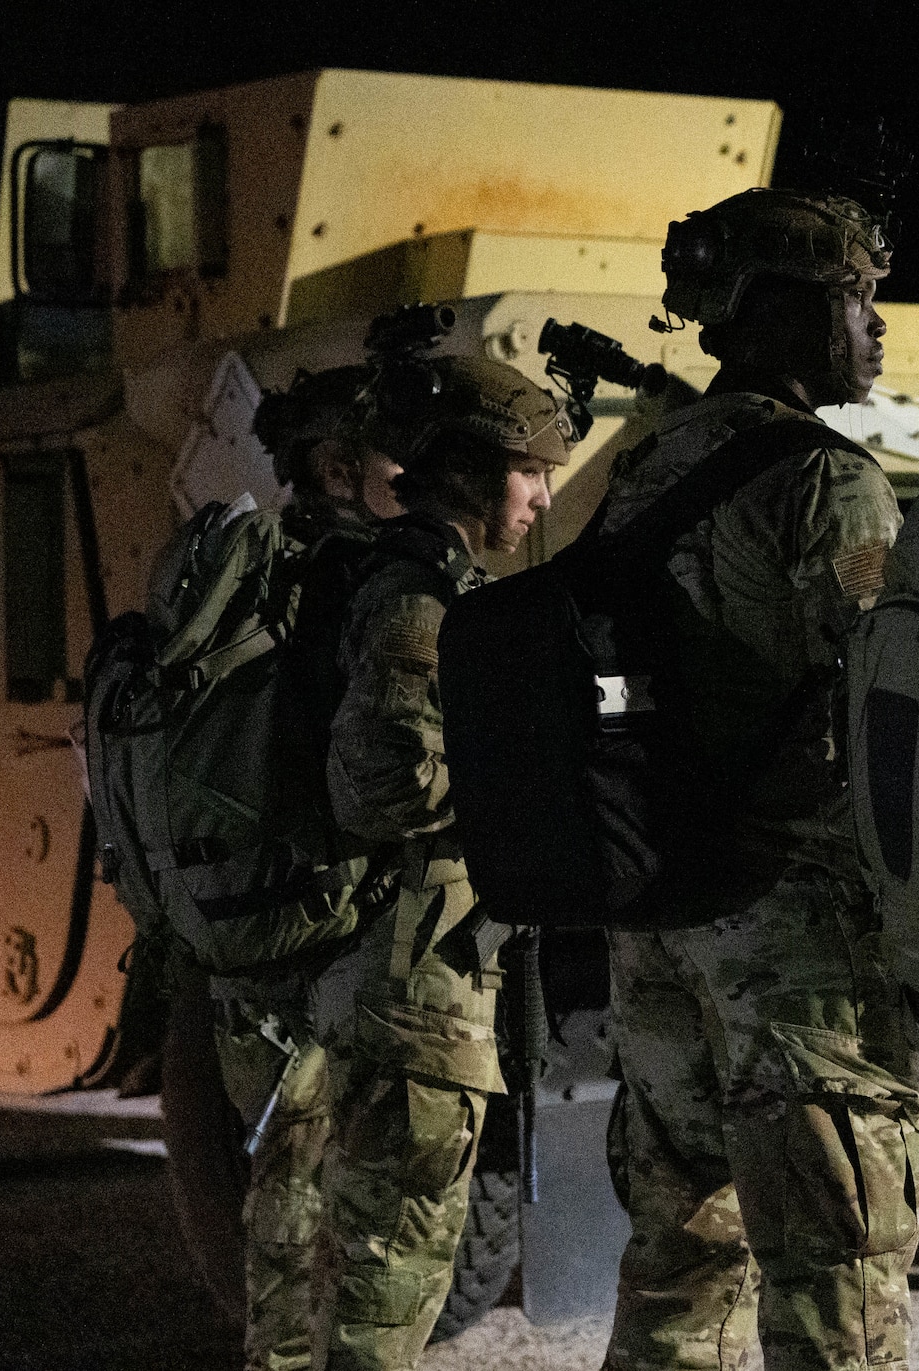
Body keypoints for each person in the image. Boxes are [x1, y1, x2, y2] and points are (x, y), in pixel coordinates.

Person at [598, 187, 919, 1371]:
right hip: (792, 940)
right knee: (834, 1279)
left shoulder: (644, 470)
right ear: (781, 313)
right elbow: (892, 708)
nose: (874, 327)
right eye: (856, 298)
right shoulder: (823, 481)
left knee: (678, 1266)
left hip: (658, 918)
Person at [307, 353, 563, 1370]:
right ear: (464, 471)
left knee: (383, 1272)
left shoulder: (408, 577)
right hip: (408, 996)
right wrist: (528, 773)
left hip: (404, 976)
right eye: (528, 470)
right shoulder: (419, 598)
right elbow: (380, 783)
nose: (543, 494)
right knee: (389, 1283)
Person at [203, 363, 405, 1371]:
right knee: (346, 1214)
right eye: (395, 457)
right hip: (327, 925)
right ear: (336, 467)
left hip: (253, 930)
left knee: (284, 1200)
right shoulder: (351, 587)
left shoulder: (241, 573)